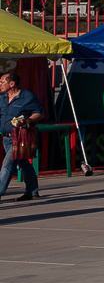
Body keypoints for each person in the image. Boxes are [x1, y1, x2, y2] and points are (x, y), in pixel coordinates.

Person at [0, 69, 45, 202]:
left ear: (12, 83)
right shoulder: (2, 98)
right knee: (23, 164)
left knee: (7, 165)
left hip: (19, 137)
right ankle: (32, 191)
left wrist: (26, 121)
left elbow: (39, 113)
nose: (0, 84)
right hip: (6, 137)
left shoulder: (27, 97)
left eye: (2, 82)